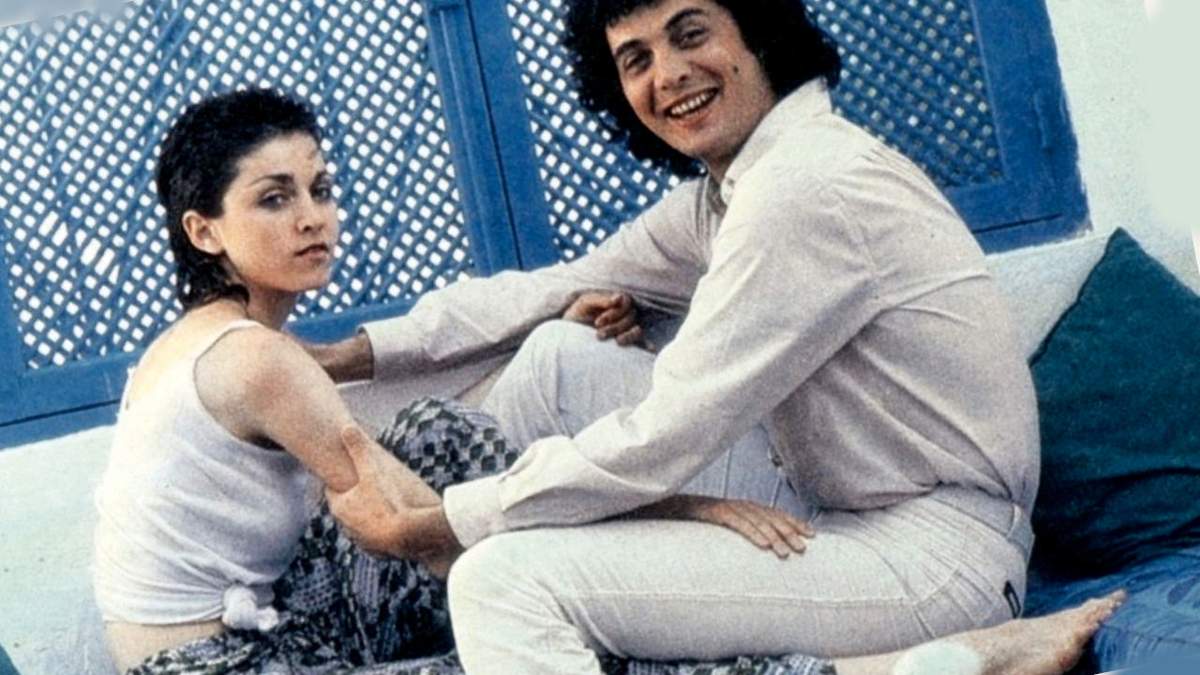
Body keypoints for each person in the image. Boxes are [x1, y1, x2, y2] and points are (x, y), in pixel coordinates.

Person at [312, 0, 1126, 673]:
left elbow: (665, 434)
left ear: (759, 34)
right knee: (560, 355)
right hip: (832, 502)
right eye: (635, 59)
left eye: (690, 33)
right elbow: (558, 285)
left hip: (937, 558)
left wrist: (441, 522)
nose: (667, 74)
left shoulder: (803, 189)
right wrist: (344, 357)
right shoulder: (732, 190)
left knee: (503, 579)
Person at [89, 85, 894, 675]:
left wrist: (551, 332)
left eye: (320, 189)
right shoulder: (258, 360)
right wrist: (682, 514)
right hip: (229, 663)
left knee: (436, 433)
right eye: (274, 198)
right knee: (535, 630)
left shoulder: (203, 343)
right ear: (204, 230)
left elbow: (411, 435)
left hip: (276, 613)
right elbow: (428, 521)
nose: (313, 217)